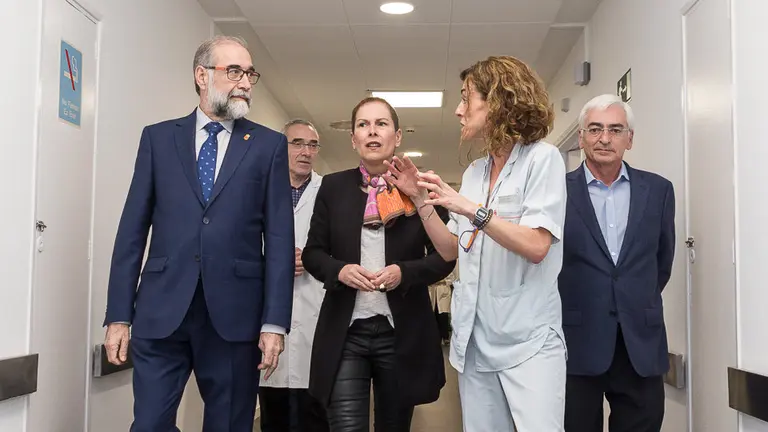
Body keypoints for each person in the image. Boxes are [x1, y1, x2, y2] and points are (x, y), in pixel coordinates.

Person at [102, 35, 294, 432]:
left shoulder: (268, 146)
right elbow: (132, 231)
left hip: (234, 317)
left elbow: (278, 240)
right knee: (150, 424)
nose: (245, 82)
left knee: (227, 424)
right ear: (201, 75)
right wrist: (118, 315)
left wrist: (274, 323)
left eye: (250, 73)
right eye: (234, 71)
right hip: (160, 310)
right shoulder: (158, 139)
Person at [386, 55, 567, 431]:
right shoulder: (474, 172)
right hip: (476, 340)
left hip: (528, 341)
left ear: (499, 100)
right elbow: (451, 250)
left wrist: (470, 209)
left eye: (467, 98)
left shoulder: (542, 160)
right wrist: (422, 200)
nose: (458, 109)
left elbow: (536, 245)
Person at [301, 96, 456, 431]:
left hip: (402, 331)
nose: (372, 132)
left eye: (381, 124)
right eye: (363, 125)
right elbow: (313, 253)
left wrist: (406, 272)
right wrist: (340, 270)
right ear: (353, 138)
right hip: (346, 332)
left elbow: (445, 258)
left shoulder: (421, 187)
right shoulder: (333, 187)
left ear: (397, 136)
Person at [559, 94, 675, 432]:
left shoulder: (658, 190)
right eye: (594, 129)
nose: (604, 139)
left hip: (640, 343)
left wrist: (631, 300)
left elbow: (661, 262)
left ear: (630, 139)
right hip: (577, 343)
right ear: (580, 138)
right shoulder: (557, 191)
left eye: (615, 129)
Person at [260, 119, 329, 432]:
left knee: (316, 414)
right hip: (269, 317)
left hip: (317, 313)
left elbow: (347, 252)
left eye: (312, 145)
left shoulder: (329, 192)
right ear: (280, 147)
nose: (306, 152)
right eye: (297, 143)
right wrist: (273, 261)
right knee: (274, 415)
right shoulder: (260, 190)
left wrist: (315, 259)